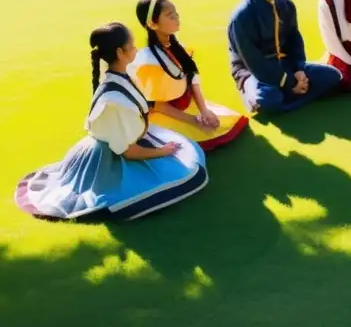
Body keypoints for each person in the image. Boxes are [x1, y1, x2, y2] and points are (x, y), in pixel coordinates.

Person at [15, 22, 208, 221]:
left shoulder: (121, 76)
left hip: (121, 142)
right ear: (119, 52)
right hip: (112, 158)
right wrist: (161, 151)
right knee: (188, 173)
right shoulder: (114, 101)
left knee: (188, 155)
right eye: (132, 45)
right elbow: (128, 151)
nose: (136, 49)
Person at [228, 0, 342, 113]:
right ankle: (261, 97)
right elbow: (255, 64)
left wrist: (298, 70)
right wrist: (290, 83)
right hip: (253, 74)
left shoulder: (286, 5)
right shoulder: (242, 17)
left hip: (285, 66)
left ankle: (288, 95)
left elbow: (295, 41)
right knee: (268, 98)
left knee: (333, 76)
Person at [129, 0, 249, 150]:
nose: (176, 18)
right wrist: (194, 120)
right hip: (164, 114)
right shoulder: (147, 62)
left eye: (176, 13)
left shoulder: (180, 49)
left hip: (187, 106)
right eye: (170, 15)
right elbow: (158, 106)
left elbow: (193, 82)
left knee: (224, 123)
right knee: (182, 142)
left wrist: (204, 111)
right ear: (152, 23)